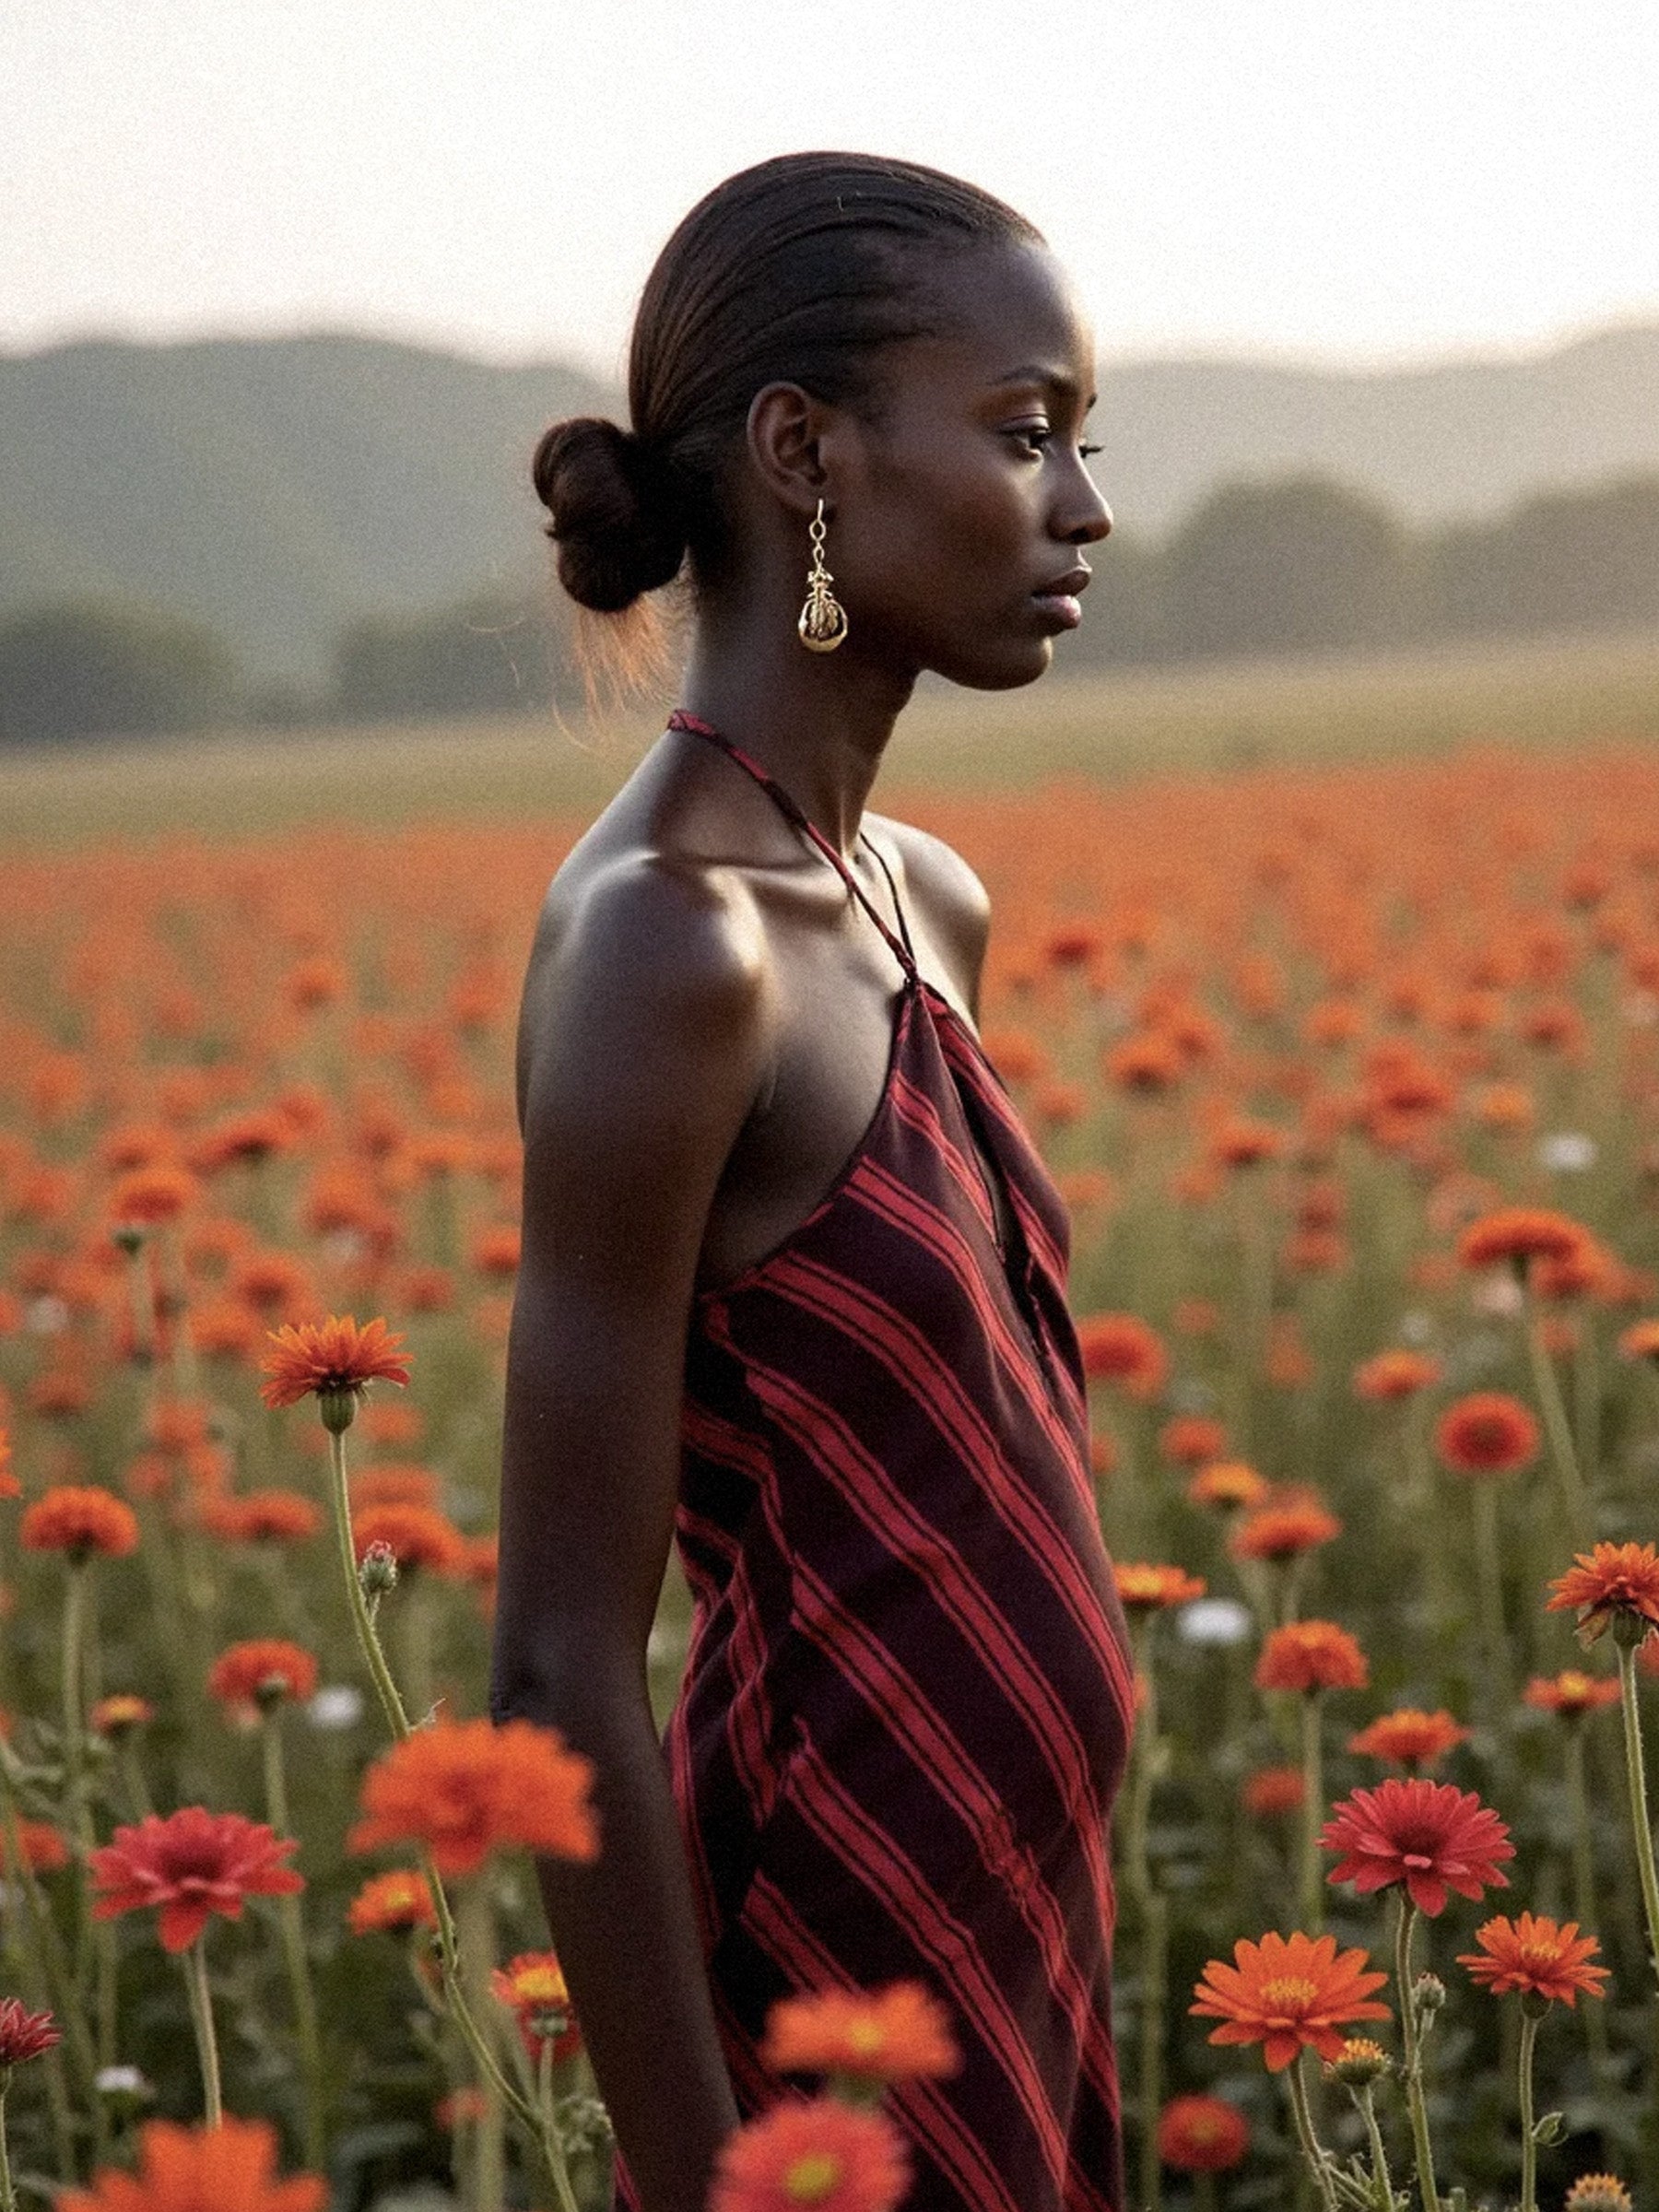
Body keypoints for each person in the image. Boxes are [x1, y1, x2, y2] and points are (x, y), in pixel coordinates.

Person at [490, 151, 1135, 2212]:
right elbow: (558, 1661)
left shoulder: (919, 896)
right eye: (1026, 434)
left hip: (1023, 1947)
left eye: (1081, 445)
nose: (1084, 508)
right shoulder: (670, 946)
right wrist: (705, 2183)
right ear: (803, 451)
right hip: (828, 1987)